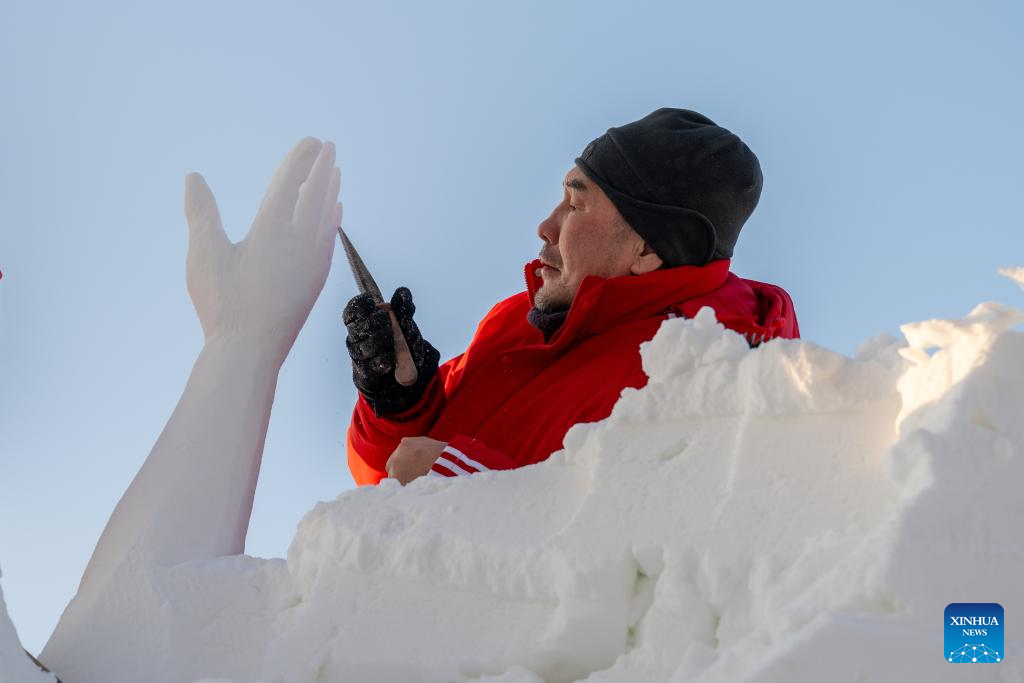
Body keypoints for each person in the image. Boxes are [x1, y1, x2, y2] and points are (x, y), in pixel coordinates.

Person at [343, 108, 799, 486]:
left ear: (647, 250)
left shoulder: (716, 376)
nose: (546, 226)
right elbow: (387, 486)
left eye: (576, 206)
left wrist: (471, 489)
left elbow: (655, 558)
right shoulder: (518, 322)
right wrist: (399, 403)